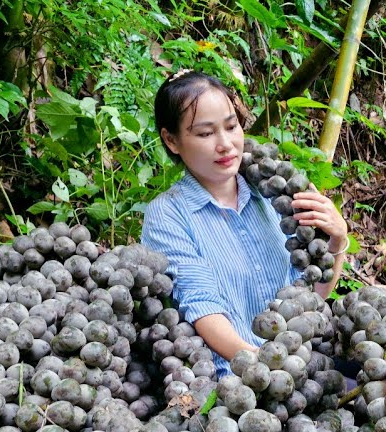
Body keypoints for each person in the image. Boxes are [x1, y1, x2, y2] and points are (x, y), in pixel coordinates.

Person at [141, 69, 349, 376]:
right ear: (171, 140)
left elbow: (313, 295)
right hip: (239, 380)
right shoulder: (168, 215)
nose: (225, 144)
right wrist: (266, 365)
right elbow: (202, 307)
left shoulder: (273, 192)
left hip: (304, 362)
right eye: (205, 133)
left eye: (231, 125)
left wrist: (336, 240)